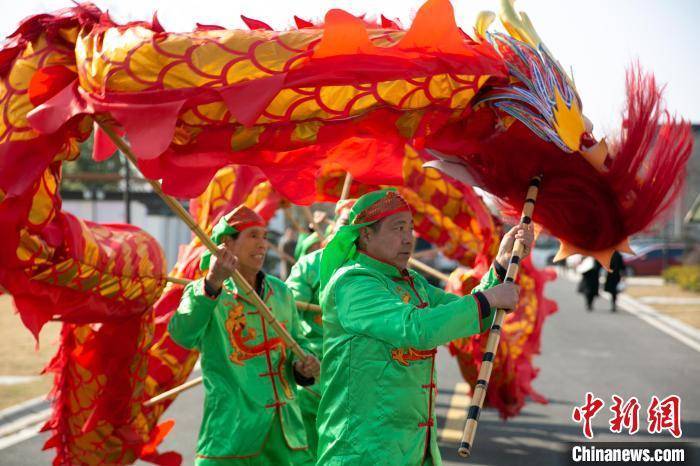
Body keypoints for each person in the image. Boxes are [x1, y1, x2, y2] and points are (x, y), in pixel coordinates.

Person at [315, 188, 533, 466]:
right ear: (366, 235)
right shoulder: (353, 284)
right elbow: (418, 329)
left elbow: (468, 315)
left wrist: (501, 266)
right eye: (398, 228)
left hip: (413, 449)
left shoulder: (412, 282)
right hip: (362, 449)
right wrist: (488, 299)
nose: (409, 238)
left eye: (410, 227)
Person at [168, 205, 320, 466]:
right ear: (227, 243)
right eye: (253, 236)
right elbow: (182, 333)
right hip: (232, 436)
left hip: (287, 438)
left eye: (264, 236)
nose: (262, 244)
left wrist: (305, 364)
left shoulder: (281, 292)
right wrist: (212, 283)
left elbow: (298, 342)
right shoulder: (205, 292)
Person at [285, 199, 355, 457]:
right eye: (345, 223)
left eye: (358, 227)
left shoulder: (381, 274)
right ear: (334, 225)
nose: (348, 232)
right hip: (313, 375)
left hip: (359, 382)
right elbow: (286, 308)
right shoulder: (310, 264)